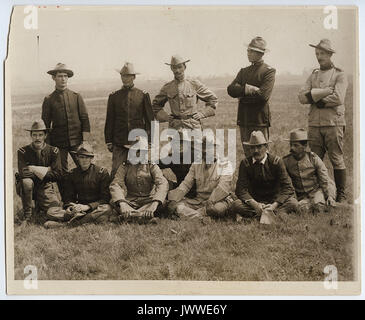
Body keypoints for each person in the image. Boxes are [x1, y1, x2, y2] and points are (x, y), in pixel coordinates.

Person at [298, 39, 348, 203]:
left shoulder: (340, 74)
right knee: (315, 159)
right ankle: (318, 193)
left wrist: (317, 99)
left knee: (336, 158)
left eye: (322, 54)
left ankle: (341, 195)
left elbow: (339, 97)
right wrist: (320, 95)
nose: (319, 57)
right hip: (315, 124)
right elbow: (301, 97)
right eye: (317, 54)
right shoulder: (313, 75)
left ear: (330, 54)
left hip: (333, 123)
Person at [231, 131, 298, 222]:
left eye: (259, 147)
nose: (256, 151)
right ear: (249, 149)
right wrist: (255, 205)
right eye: (252, 147)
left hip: (274, 201)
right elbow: (240, 189)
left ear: (266, 147)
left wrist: (274, 205)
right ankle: (270, 215)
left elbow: (288, 188)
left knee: (293, 203)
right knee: (236, 204)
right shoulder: (245, 164)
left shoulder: (276, 162)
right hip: (254, 202)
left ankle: (256, 217)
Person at [227, 36, 276, 157]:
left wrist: (242, 96)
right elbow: (230, 89)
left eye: (251, 51)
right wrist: (247, 89)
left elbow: (263, 96)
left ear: (260, 53)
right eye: (248, 50)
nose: (247, 53)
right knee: (248, 156)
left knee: (262, 155)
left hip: (259, 121)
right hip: (244, 120)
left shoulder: (268, 71)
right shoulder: (244, 71)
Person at [104, 62, 155, 178]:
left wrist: (150, 140)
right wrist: (109, 140)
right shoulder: (114, 96)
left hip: (138, 141)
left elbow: (150, 120)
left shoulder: (142, 95)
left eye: (128, 76)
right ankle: (117, 195)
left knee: (140, 174)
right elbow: (110, 120)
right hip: (119, 141)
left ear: (134, 77)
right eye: (123, 75)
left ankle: (140, 196)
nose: (125, 78)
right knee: (116, 172)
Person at [167, 135, 234, 220]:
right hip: (199, 201)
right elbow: (186, 184)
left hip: (218, 201)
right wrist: (174, 199)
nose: (206, 152)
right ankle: (202, 218)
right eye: (204, 149)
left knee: (216, 209)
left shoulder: (226, 164)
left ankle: (191, 215)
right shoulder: (196, 164)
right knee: (177, 206)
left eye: (210, 148)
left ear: (216, 150)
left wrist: (210, 202)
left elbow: (223, 188)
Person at [45, 144, 112, 228]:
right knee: (51, 211)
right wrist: (70, 207)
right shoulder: (72, 174)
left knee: (107, 208)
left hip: (94, 208)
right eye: (81, 157)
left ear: (91, 159)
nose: (84, 160)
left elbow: (105, 198)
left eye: (87, 157)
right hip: (78, 208)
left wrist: (88, 207)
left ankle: (68, 224)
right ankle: (86, 220)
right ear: (77, 158)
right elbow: (68, 196)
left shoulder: (101, 172)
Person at [41, 63, 91, 174]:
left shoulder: (76, 96)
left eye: (65, 76)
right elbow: (45, 125)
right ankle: (67, 192)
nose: (63, 79)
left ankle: (85, 191)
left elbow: (84, 118)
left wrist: (85, 141)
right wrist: (48, 147)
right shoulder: (49, 99)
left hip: (77, 142)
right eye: (60, 76)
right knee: (61, 172)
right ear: (54, 78)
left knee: (85, 168)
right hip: (58, 143)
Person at [109, 136, 169, 223]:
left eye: (143, 151)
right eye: (137, 151)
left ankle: (130, 217)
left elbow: (162, 183)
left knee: (163, 203)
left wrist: (155, 203)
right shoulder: (125, 166)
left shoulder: (151, 166)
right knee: (113, 201)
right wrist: (123, 204)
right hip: (130, 202)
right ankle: (144, 217)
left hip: (149, 201)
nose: (140, 154)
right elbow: (116, 184)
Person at [152, 55, 218, 131]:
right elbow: (155, 106)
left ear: (184, 67)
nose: (177, 70)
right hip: (175, 128)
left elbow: (213, 99)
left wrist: (202, 114)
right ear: (171, 69)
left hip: (193, 127)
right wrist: (166, 117)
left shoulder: (194, 84)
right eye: (174, 68)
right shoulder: (167, 87)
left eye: (180, 67)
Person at [15, 120, 62, 224]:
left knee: (54, 211)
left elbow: (58, 175)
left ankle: (39, 205)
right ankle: (28, 216)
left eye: (40, 135)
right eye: (35, 135)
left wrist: (33, 168)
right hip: (28, 186)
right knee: (27, 182)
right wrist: (48, 170)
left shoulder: (54, 151)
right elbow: (24, 174)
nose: (37, 138)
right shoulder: (23, 152)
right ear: (31, 136)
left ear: (45, 135)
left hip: (46, 186)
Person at [282, 129, 337, 213]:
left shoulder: (313, 159)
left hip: (317, 191)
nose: (292, 148)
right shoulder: (286, 161)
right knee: (301, 209)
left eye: (296, 145)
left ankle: (324, 203)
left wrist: (329, 196)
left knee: (318, 206)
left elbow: (324, 179)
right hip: (301, 195)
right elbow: (284, 182)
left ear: (305, 146)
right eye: (291, 145)